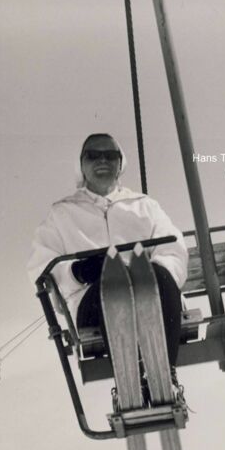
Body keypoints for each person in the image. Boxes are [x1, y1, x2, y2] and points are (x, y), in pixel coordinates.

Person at [28, 133, 189, 380]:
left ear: (120, 163)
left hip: (150, 294)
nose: (102, 160)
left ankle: (164, 375)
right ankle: (130, 378)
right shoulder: (62, 213)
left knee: (155, 277)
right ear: (81, 165)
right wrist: (77, 272)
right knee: (113, 287)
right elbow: (40, 266)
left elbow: (173, 248)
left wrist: (153, 274)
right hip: (93, 299)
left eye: (110, 155)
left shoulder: (144, 205)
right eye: (93, 155)